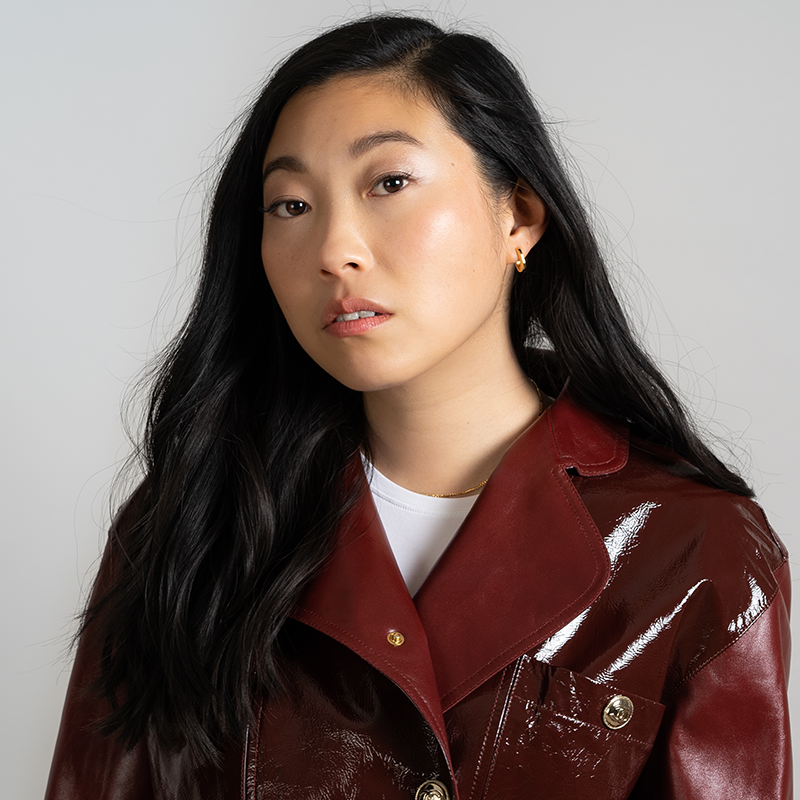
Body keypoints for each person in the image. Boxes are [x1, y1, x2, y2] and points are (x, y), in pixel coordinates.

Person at [44, 13, 790, 800]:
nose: (334, 250)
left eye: (389, 183)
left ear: (520, 216)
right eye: (291, 206)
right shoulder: (193, 521)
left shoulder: (697, 553)